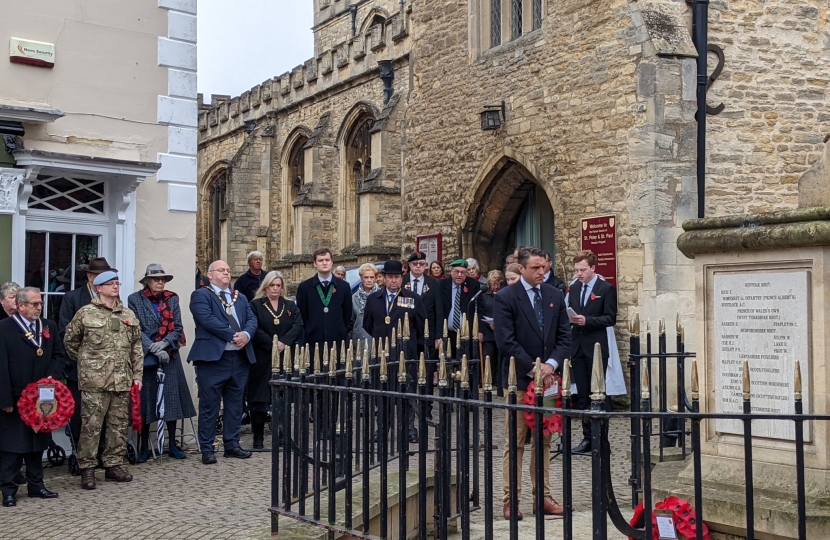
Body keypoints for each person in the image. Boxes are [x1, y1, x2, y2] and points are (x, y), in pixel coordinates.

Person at [494, 247, 570, 519]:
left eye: (544, 267)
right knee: (515, 441)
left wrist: (551, 365)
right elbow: (505, 341)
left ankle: (543, 497)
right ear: (522, 268)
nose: (542, 272)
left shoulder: (555, 295)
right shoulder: (506, 297)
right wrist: (534, 367)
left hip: (548, 382)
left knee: (544, 439)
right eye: (536, 268)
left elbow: (564, 337)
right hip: (519, 380)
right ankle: (510, 500)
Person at [63, 271, 143, 490]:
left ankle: (113, 465)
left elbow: (137, 346)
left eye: (117, 283)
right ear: (98, 288)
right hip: (95, 382)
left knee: (118, 426)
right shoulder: (86, 313)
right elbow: (70, 342)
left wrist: (137, 375)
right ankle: (87, 469)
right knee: (91, 426)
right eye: (110, 284)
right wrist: (88, 363)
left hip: (121, 380)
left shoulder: (127, 313)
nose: (115, 287)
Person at [188, 260, 257, 465]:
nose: (227, 273)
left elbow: (252, 319)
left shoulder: (240, 297)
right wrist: (232, 334)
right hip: (213, 359)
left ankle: (232, 444)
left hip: (239, 357)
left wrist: (245, 334)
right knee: (209, 405)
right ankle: (207, 448)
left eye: (228, 270)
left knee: (235, 404)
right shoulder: (201, 295)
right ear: (210, 275)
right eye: (222, 270)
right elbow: (206, 318)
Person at [0, 287, 64, 507]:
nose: (39, 307)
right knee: (13, 445)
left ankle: (37, 485)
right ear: (21, 306)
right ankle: (8, 489)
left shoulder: (49, 326)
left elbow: (58, 355)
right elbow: (1, 366)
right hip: (16, 397)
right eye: (34, 304)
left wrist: (52, 377)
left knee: (38, 441)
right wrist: (5, 398)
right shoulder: (5, 328)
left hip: (42, 397)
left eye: (40, 303)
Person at [127, 264, 196, 462]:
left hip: (170, 356)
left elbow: (178, 327)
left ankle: (172, 444)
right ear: (147, 281)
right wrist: (153, 347)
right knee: (147, 401)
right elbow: (135, 329)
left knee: (171, 400)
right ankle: (143, 447)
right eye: (156, 279)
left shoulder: (172, 298)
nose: (160, 282)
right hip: (147, 358)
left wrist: (165, 344)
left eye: (163, 279)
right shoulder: (135, 299)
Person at [362, 260, 426, 442]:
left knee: (407, 391)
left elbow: (420, 325)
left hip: (406, 353)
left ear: (401, 278)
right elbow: (368, 324)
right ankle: (383, 427)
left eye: (397, 277)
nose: (393, 281)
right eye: (390, 277)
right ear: (383, 278)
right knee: (382, 392)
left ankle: (409, 427)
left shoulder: (412, 298)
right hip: (382, 353)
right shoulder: (374, 299)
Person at [58, 257, 118, 448]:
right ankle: (80, 453)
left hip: (109, 371)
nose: (108, 281)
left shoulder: (115, 301)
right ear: (90, 277)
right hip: (82, 369)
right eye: (101, 276)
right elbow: (65, 333)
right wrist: (87, 358)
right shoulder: (73, 298)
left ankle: (102, 451)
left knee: (106, 413)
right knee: (81, 414)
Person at [566, 250, 617, 454]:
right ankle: (587, 438)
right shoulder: (575, 288)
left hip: (596, 347)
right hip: (577, 346)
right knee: (584, 396)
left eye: (583, 270)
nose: (579, 273)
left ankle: (601, 440)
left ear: (593, 268)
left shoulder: (605, 288)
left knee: (598, 395)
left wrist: (588, 321)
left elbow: (610, 318)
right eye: (577, 270)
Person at [249, 271, 303, 449]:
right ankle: (258, 438)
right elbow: (253, 327)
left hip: (284, 356)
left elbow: (298, 325)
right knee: (259, 398)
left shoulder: (289, 305)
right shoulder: (256, 305)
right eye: (272, 285)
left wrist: (284, 343)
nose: (275, 289)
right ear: (266, 286)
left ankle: (281, 436)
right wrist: (272, 344)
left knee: (282, 397)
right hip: (262, 357)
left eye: (278, 285)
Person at [295, 248, 353, 360]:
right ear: (315, 264)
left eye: (327, 260)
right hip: (313, 343)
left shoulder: (343, 287)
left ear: (332, 262)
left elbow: (347, 314)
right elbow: (302, 315)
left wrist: (340, 331)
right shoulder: (305, 287)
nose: (324, 263)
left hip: (337, 342)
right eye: (321, 260)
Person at [435, 259, 481, 358]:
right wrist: (438, 336)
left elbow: (479, 309)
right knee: (447, 363)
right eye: (456, 272)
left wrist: (480, 330)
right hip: (447, 332)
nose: (459, 275)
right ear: (451, 272)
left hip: (466, 333)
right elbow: (437, 311)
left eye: (463, 272)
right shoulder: (441, 285)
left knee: (465, 363)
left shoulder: (473, 285)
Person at [477, 270, 503, 394]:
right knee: (488, 356)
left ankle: (499, 383)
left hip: (501, 330)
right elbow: (481, 313)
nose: (495, 286)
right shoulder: (484, 295)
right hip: (488, 330)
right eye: (493, 284)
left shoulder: (504, 294)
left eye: (497, 283)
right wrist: (481, 330)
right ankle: (486, 380)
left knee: (500, 358)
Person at [352, 263, 379, 352]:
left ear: (375, 278)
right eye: (366, 277)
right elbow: (351, 321)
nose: (369, 280)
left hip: (378, 340)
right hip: (360, 341)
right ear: (361, 278)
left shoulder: (382, 295)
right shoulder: (354, 298)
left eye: (371, 277)